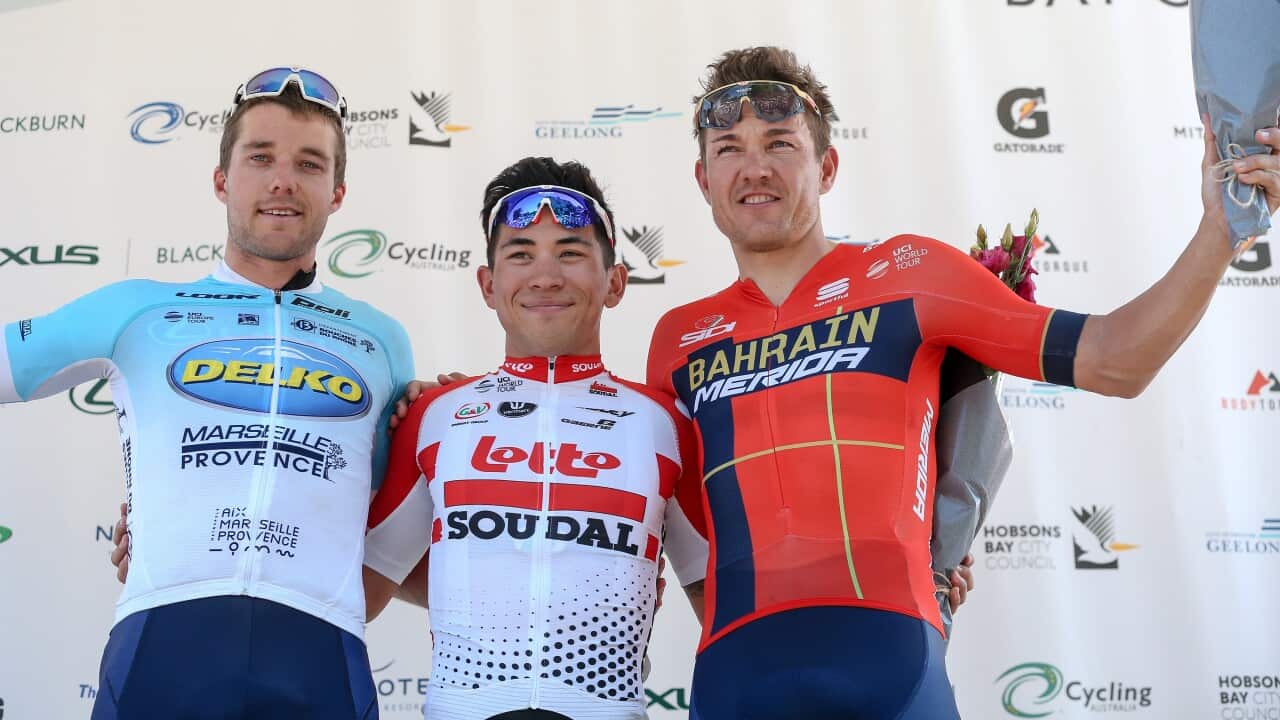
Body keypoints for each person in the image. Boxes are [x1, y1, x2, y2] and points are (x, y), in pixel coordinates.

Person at [644, 46, 1280, 719]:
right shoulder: (678, 340)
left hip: (892, 668)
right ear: (703, 179)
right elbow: (688, 547)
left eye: (780, 142)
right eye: (730, 149)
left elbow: (1115, 359)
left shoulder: (910, 274)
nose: (756, 168)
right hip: (738, 678)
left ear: (827, 166)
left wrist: (1219, 231)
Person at [0, 67, 414, 719]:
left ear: (337, 193)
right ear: (222, 180)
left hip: (321, 656)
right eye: (260, 158)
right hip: (161, 645)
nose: (282, 181)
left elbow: (389, 525)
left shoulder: (381, 340)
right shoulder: (138, 311)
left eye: (309, 164)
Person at [360, 157, 710, 720]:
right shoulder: (433, 415)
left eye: (570, 253)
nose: (545, 277)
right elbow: (359, 589)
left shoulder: (666, 424)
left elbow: (718, 608)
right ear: (488, 284)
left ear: (616, 281)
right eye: (521, 254)